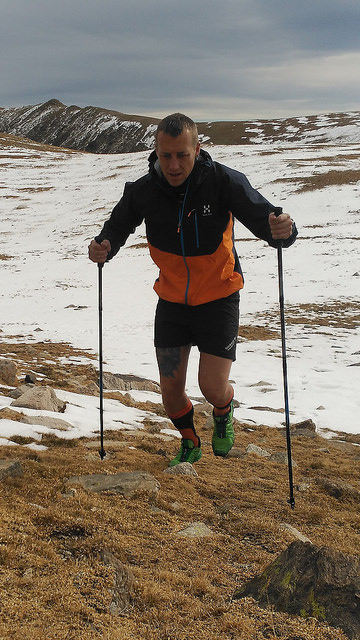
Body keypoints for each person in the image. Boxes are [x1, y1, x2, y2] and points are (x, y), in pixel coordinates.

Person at [88, 113, 297, 467]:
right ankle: (189, 441)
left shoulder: (223, 182)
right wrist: (103, 245)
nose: (173, 164)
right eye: (165, 155)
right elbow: (117, 226)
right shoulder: (143, 190)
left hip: (219, 298)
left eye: (181, 155)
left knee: (211, 386)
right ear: (156, 150)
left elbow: (268, 221)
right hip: (172, 303)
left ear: (197, 149)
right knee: (170, 391)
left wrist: (283, 230)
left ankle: (223, 408)